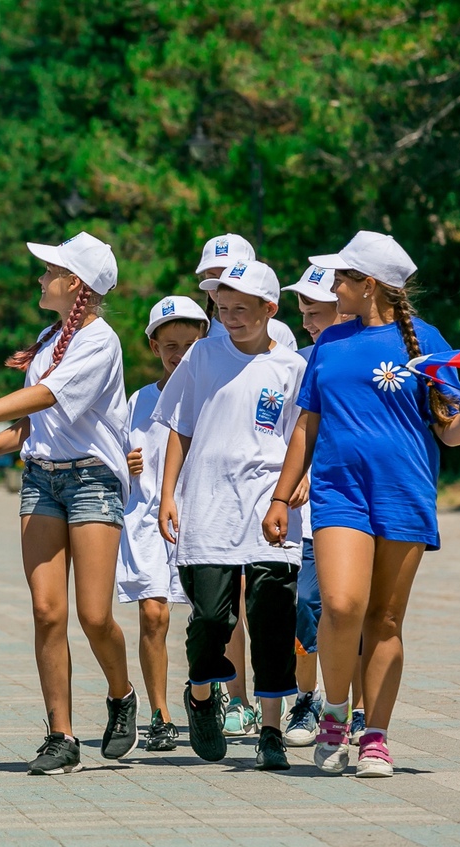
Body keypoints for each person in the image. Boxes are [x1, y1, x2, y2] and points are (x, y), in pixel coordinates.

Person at [263, 231, 460, 777]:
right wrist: (281, 495)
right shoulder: (329, 343)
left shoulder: (429, 340)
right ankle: (334, 712)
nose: (333, 287)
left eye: (342, 279)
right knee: (342, 606)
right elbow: (307, 424)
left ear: (367, 285)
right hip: (338, 493)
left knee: (386, 619)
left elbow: (450, 433)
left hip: (404, 494)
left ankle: (375, 737)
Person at [0, 232, 137, 775]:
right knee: (47, 611)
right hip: (42, 480)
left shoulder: (99, 342)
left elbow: (46, 397)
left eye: (49, 271)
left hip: (92, 481)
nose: (40, 278)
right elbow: (37, 422)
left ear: (76, 285)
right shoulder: (51, 338)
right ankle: (61, 735)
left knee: (93, 616)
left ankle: (121, 694)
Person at [156, 259, 305, 771]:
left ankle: (270, 730)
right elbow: (180, 425)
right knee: (213, 618)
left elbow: (302, 436)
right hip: (209, 505)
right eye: (222, 309)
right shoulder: (202, 355)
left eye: (242, 309)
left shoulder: (291, 367)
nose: (231, 317)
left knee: (270, 617)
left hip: (269, 507)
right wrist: (167, 493)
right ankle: (201, 696)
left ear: (271, 308)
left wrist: (298, 479)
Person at [196, 234, 296, 736]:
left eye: (227, 278)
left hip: (265, 494)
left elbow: (295, 419)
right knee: (221, 602)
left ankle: (277, 702)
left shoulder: (282, 342)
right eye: (210, 284)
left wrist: (292, 483)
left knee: (264, 598)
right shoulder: (203, 344)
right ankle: (231, 696)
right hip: (212, 494)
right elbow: (180, 419)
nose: (218, 293)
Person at [275, 266, 366, 749]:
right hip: (312, 513)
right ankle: (307, 699)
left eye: (316, 310)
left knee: (360, 610)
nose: (307, 321)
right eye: (303, 312)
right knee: (312, 605)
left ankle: (359, 707)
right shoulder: (299, 361)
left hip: (360, 504)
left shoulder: (371, 354)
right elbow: (293, 429)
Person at [116, 295, 208, 753]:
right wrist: (124, 462)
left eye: (189, 344)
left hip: (203, 521)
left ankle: (205, 696)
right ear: (154, 346)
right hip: (148, 519)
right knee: (153, 613)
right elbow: (113, 454)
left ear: (204, 342)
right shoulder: (138, 402)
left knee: (210, 618)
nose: (179, 354)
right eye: (170, 344)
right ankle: (160, 714)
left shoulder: (213, 396)